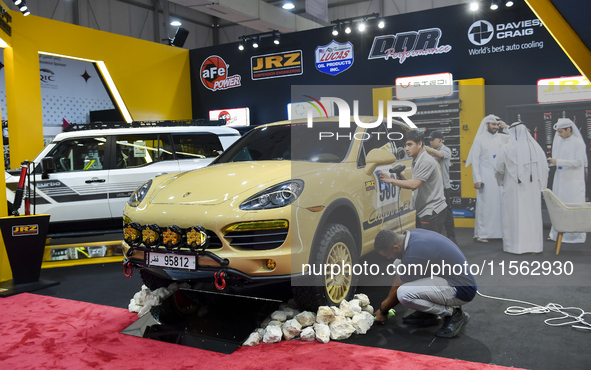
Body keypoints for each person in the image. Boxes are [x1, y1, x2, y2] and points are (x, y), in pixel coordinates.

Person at [373, 228, 476, 338]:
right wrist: (384, 305)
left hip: (462, 289)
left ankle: (454, 313)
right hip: (449, 278)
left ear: (396, 247)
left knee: (404, 294)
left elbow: (397, 290)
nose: (388, 257)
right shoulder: (413, 235)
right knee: (398, 263)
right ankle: (427, 313)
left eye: (388, 254)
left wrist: (383, 310)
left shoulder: (413, 254)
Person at [493, 122, 549, 254]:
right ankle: (534, 246)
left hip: (513, 188)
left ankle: (514, 246)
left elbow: (498, 168)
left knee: (514, 215)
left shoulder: (506, 148)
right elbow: (545, 169)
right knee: (531, 216)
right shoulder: (536, 149)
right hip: (533, 190)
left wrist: (501, 180)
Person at [379, 130, 447, 234]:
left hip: (432, 211)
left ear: (420, 144)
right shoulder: (416, 159)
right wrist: (403, 179)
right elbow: (416, 185)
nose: (406, 148)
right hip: (424, 210)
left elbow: (414, 184)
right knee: (424, 244)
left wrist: (390, 180)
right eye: (405, 145)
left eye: (410, 144)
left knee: (429, 246)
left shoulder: (425, 161)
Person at [465, 115, 509, 243]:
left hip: (500, 179)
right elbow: (475, 161)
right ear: (487, 125)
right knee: (485, 206)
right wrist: (477, 179)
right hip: (485, 178)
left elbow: (517, 138)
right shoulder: (480, 139)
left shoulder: (502, 138)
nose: (496, 127)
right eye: (493, 125)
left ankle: (500, 233)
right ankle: (481, 234)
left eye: (497, 125)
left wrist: (506, 127)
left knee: (500, 206)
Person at [547, 118, 587, 244]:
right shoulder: (561, 142)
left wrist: (558, 161)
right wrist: (553, 162)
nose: (559, 135)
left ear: (569, 129)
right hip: (560, 180)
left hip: (573, 182)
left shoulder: (578, 143)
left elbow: (579, 162)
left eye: (560, 132)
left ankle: (575, 236)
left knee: (573, 207)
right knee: (559, 207)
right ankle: (557, 234)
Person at [425, 130, 458, 244]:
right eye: (429, 140)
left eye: (432, 140)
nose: (431, 142)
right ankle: (437, 238)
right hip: (433, 187)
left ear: (440, 140)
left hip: (444, 187)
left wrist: (423, 147)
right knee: (434, 214)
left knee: (447, 213)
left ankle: (452, 237)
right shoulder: (429, 152)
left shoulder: (446, 150)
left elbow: (439, 155)